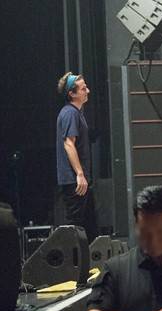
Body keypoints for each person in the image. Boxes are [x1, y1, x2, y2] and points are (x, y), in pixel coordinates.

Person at [56, 72, 97, 241]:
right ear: (72, 94)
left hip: (81, 180)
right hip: (75, 180)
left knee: (87, 227)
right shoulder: (70, 113)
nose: (87, 91)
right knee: (75, 227)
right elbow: (68, 143)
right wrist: (79, 174)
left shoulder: (76, 113)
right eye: (83, 88)